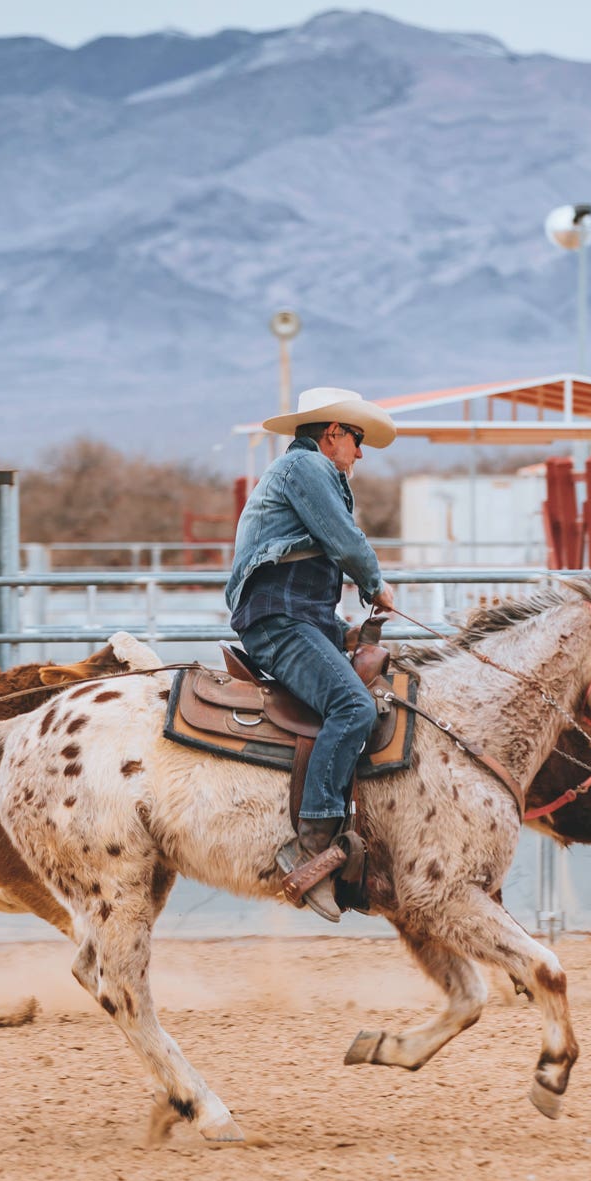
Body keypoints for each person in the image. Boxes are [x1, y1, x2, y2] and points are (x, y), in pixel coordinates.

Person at [226, 386, 397, 919]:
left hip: (301, 616)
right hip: (282, 618)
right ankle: (310, 846)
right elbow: (344, 542)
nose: (360, 454)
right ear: (334, 433)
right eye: (357, 440)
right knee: (354, 707)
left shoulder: (307, 472)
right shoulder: (309, 469)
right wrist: (375, 583)